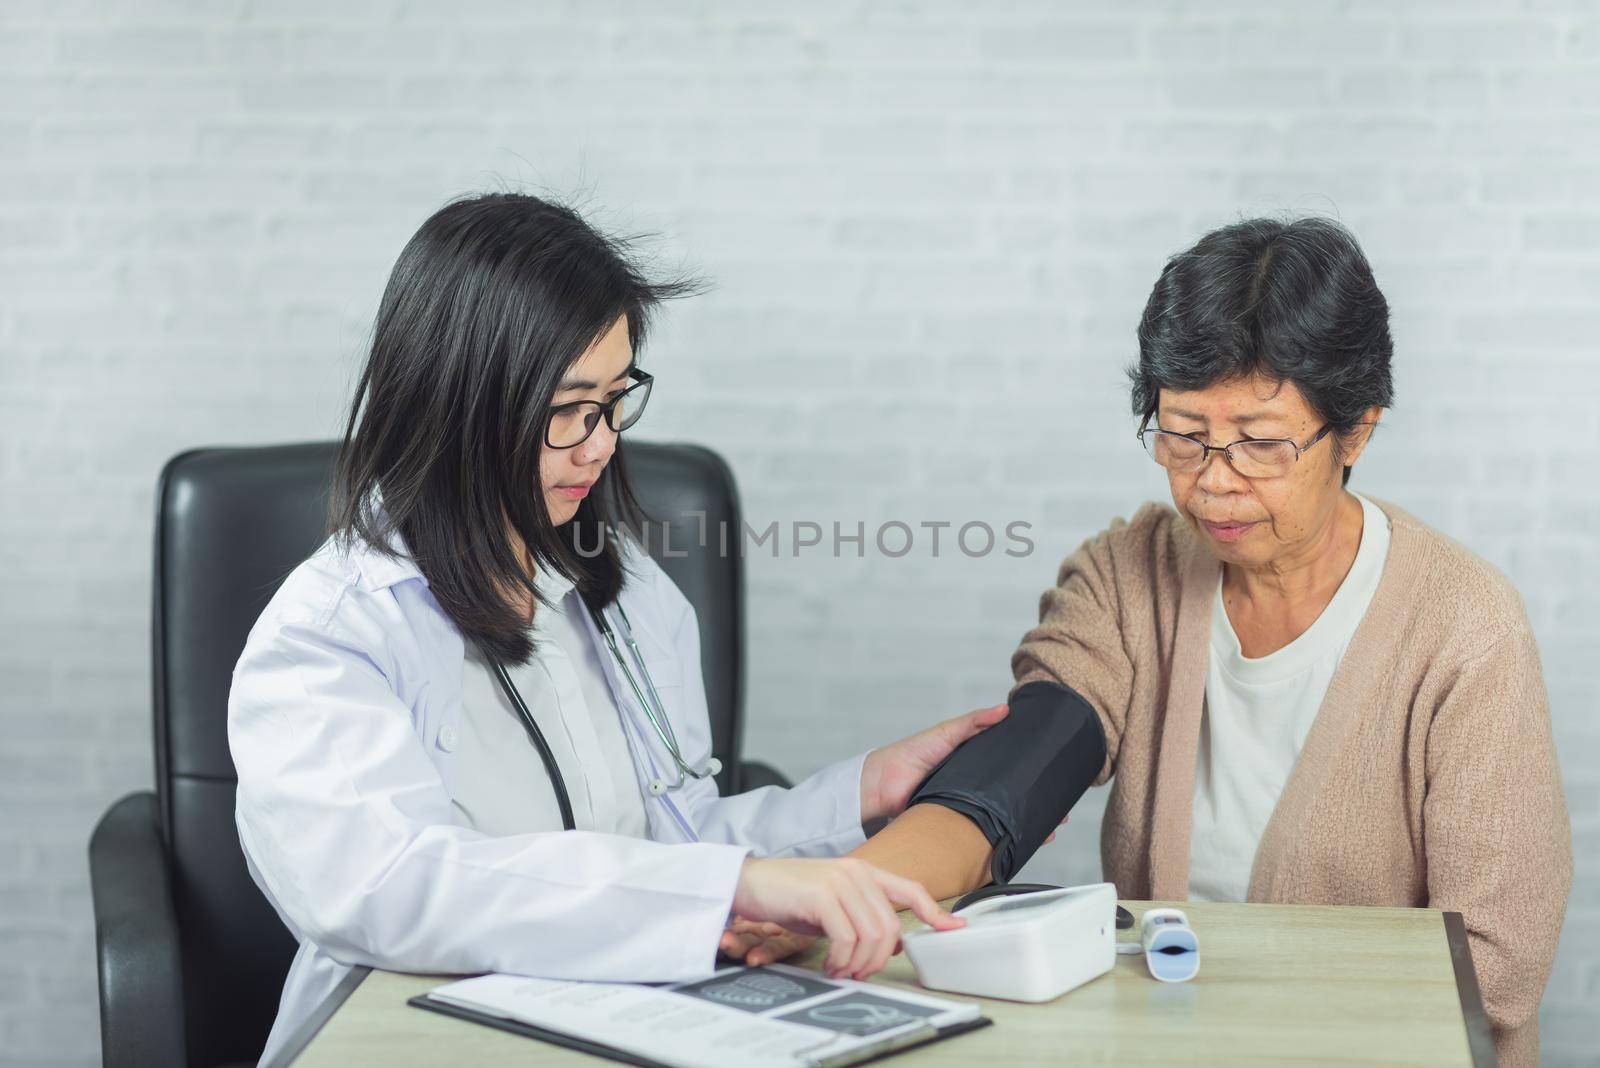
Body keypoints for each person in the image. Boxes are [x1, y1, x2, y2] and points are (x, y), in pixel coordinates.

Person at [724, 218, 1572, 1068]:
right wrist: (850, 894)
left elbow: (1491, 972)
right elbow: (1019, 770)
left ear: (1356, 431)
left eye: (1260, 444)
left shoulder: (1464, 629)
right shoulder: (1128, 574)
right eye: (1182, 434)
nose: (1212, 479)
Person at [228, 192, 1010, 1065]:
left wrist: (863, 793)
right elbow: (389, 888)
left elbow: (672, 850)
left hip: (617, 1025)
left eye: (614, 399)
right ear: (459, 404)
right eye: (568, 407)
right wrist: (734, 887)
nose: (598, 446)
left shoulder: (626, 590)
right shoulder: (330, 636)